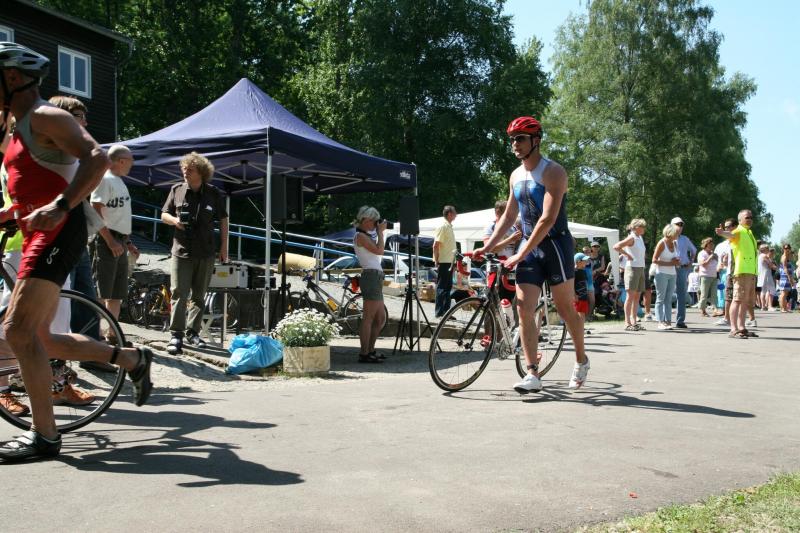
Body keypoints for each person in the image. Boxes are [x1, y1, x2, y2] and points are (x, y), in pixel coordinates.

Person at [0, 42, 152, 462]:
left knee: (17, 331)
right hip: (38, 232)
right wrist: (12, 214)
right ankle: (131, 359)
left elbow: (97, 157)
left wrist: (61, 205)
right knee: (41, 337)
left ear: (12, 77)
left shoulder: (46, 116)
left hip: (58, 232)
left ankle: (45, 436)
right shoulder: (14, 127)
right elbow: (35, 185)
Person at [475, 116, 590, 393]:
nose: (514, 144)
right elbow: (509, 216)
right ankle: (532, 373)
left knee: (565, 309)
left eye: (520, 138)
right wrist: (488, 246)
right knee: (523, 308)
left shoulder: (553, 172)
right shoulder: (516, 175)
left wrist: (518, 254)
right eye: (512, 139)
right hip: (529, 248)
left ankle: (581, 359)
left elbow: (547, 219)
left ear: (535, 140)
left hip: (556, 246)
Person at [48, 94, 111, 373]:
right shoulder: (52, 151)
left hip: (76, 233)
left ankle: (90, 351)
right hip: (54, 236)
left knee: (85, 294)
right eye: (78, 116)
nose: (84, 122)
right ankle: (56, 364)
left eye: (85, 117)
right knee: (60, 300)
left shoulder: (74, 151)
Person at [161, 151, 229, 354]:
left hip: (206, 252)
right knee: (179, 293)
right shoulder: (176, 190)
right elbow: (164, 214)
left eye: (190, 169)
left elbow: (223, 220)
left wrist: (224, 247)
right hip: (181, 251)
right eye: (184, 169)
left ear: (201, 172)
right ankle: (176, 335)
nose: (185, 172)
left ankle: (193, 333)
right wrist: (175, 221)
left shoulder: (213, 193)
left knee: (199, 296)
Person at [90, 144, 139, 331]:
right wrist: (110, 240)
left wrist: (128, 243)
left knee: (117, 293)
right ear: (121, 161)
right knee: (101, 291)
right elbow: (95, 209)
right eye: (131, 160)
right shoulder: (105, 179)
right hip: (106, 241)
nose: (132, 164)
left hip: (120, 241)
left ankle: (112, 333)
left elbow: (119, 216)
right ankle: (95, 333)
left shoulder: (120, 182)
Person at [715, 209, 759, 338]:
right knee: (737, 300)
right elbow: (731, 235)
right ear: (740, 220)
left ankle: (741, 327)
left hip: (750, 272)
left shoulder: (749, 232)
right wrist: (723, 233)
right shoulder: (739, 231)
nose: (750, 219)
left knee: (745, 301)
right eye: (747, 217)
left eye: (751, 217)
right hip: (741, 271)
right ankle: (733, 329)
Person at [352, 206, 387, 363]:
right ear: (366, 220)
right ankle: (364, 353)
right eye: (374, 221)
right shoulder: (360, 236)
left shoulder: (364, 235)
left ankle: (370, 350)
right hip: (371, 276)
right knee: (369, 318)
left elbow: (377, 250)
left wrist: (378, 231)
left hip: (375, 277)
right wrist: (380, 232)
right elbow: (380, 251)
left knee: (380, 318)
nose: (375, 224)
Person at [482, 199, 520, 303]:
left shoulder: (513, 228)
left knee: (510, 302)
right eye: (508, 211)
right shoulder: (490, 227)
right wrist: (510, 240)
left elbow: (517, 250)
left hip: (511, 270)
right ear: (498, 212)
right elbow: (490, 249)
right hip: (495, 270)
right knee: (494, 301)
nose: (511, 214)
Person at [613, 218, 647, 331]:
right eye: (642, 227)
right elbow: (616, 246)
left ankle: (634, 321)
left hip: (640, 268)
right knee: (630, 296)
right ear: (636, 228)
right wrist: (627, 255)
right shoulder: (631, 237)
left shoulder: (639, 237)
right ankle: (627, 323)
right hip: (632, 268)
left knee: (637, 296)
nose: (644, 229)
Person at [652, 223, 680, 330]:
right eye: (676, 232)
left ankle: (668, 322)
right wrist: (670, 263)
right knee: (660, 299)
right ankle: (660, 322)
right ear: (670, 233)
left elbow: (675, 258)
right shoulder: (662, 243)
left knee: (669, 299)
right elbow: (654, 260)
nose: (678, 234)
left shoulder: (675, 243)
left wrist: (677, 261)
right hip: (661, 273)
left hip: (672, 274)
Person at [670, 216, 696, 329]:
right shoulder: (668, 238)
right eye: (677, 224)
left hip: (682, 269)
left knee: (681, 295)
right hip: (669, 268)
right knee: (666, 294)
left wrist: (691, 261)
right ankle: (664, 319)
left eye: (681, 225)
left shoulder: (685, 239)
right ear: (671, 225)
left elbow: (694, 250)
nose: (680, 227)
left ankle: (680, 321)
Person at [433, 205, 457, 318]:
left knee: (447, 288)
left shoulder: (448, 226)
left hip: (449, 261)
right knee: (442, 287)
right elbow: (436, 245)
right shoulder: (443, 226)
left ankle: (446, 313)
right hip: (444, 261)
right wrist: (436, 260)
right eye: (455, 212)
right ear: (449, 214)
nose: (456, 215)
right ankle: (439, 312)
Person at [696, 237, 719, 317]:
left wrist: (717, 258)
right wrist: (710, 257)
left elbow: (718, 264)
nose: (712, 245)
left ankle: (715, 310)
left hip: (714, 276)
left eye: (713, 244)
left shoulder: (714, 254)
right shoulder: (701, 253)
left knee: (714, 294)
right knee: (704, 294)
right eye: (710, 244)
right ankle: (703, 310)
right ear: (706, 245)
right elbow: (703, 264)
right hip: (705, 276)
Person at [757, 244, 776, 312]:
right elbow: (771, 265)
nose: (768, 249)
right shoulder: (765, 256)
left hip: (761, 274)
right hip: (766, 274)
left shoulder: (759, 256)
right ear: (764, 249)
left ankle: (763, 306)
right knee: (771, 290)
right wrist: (774, 267)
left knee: (763, 290)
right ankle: (769, 306)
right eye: (767, 248)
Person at [573, 253, 590, 324]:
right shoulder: (574, 272)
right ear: (578, 261)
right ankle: (577, 327)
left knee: (582, 312)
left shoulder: (583, 271)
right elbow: (571, 285)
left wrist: (587, 292)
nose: (586, 262)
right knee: (577, 313)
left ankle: (581, 327)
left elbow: (585, 283)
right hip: (577, 297)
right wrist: (574, 295)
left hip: (584, 296)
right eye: (584, 260)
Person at [777, 244, 795, 313]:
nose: (787, 249)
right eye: (785, 248)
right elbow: (785, 268)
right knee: (783, 293)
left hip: (787, 277)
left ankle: (785, 308)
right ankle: (782, 309)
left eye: (788, 248)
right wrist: (789, 277)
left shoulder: (787, 256)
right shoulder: (784, 257)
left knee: (785, 293)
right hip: (785, 277)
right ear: (783, 249)